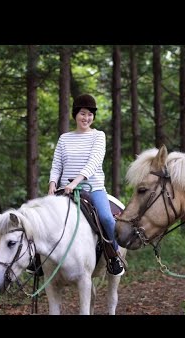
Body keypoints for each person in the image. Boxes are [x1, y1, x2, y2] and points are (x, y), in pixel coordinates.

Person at [47, 94, 124, 276]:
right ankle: (38, 261)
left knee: (106, 218)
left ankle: (114, 255)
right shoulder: (64, 138)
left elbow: (93, 162)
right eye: (82, 113)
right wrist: (52, 184)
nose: (86, 118)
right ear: (75, 114)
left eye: (90, 114)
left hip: (93, 188)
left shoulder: (99, 136)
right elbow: (57, 164)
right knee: (44, 219)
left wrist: (75, 182)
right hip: (65, 189)